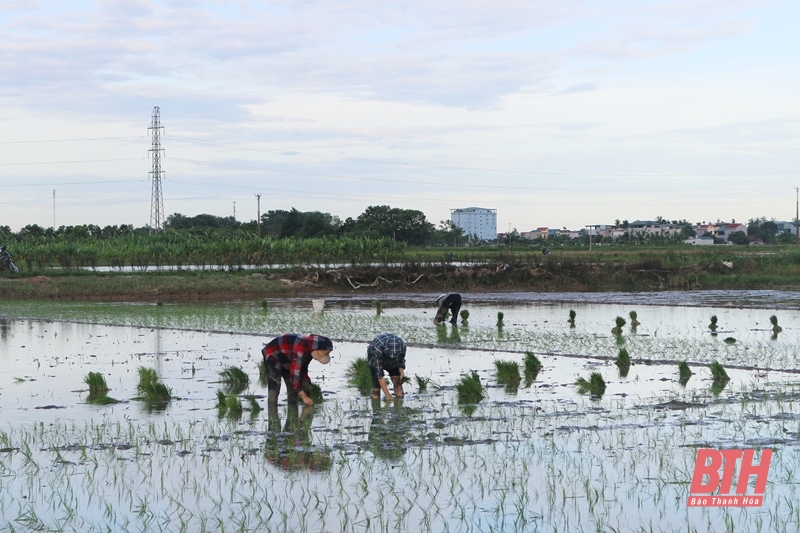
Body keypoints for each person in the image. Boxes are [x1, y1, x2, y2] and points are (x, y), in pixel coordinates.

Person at [262, 334, 332, 408]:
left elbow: (303, 369)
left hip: (287, 358)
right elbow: (295, 374)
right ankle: (272, 412)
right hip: (272, 354)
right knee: (275, 387)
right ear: (315, 350)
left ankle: (293, 415)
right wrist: (304, 397)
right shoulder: (301, 350)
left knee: (293, 389)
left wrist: (308, 384)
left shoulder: (309, 351)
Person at [367, 333, 406, 400]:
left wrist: (401, 373)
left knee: (397, 381)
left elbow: (400, 361)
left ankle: (399, 403)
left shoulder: (402, 346)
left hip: (394, 362)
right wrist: (388, 396)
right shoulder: (378, 350)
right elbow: (380, 376)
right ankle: (376, 406)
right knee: (376, 386)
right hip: (374, 356)